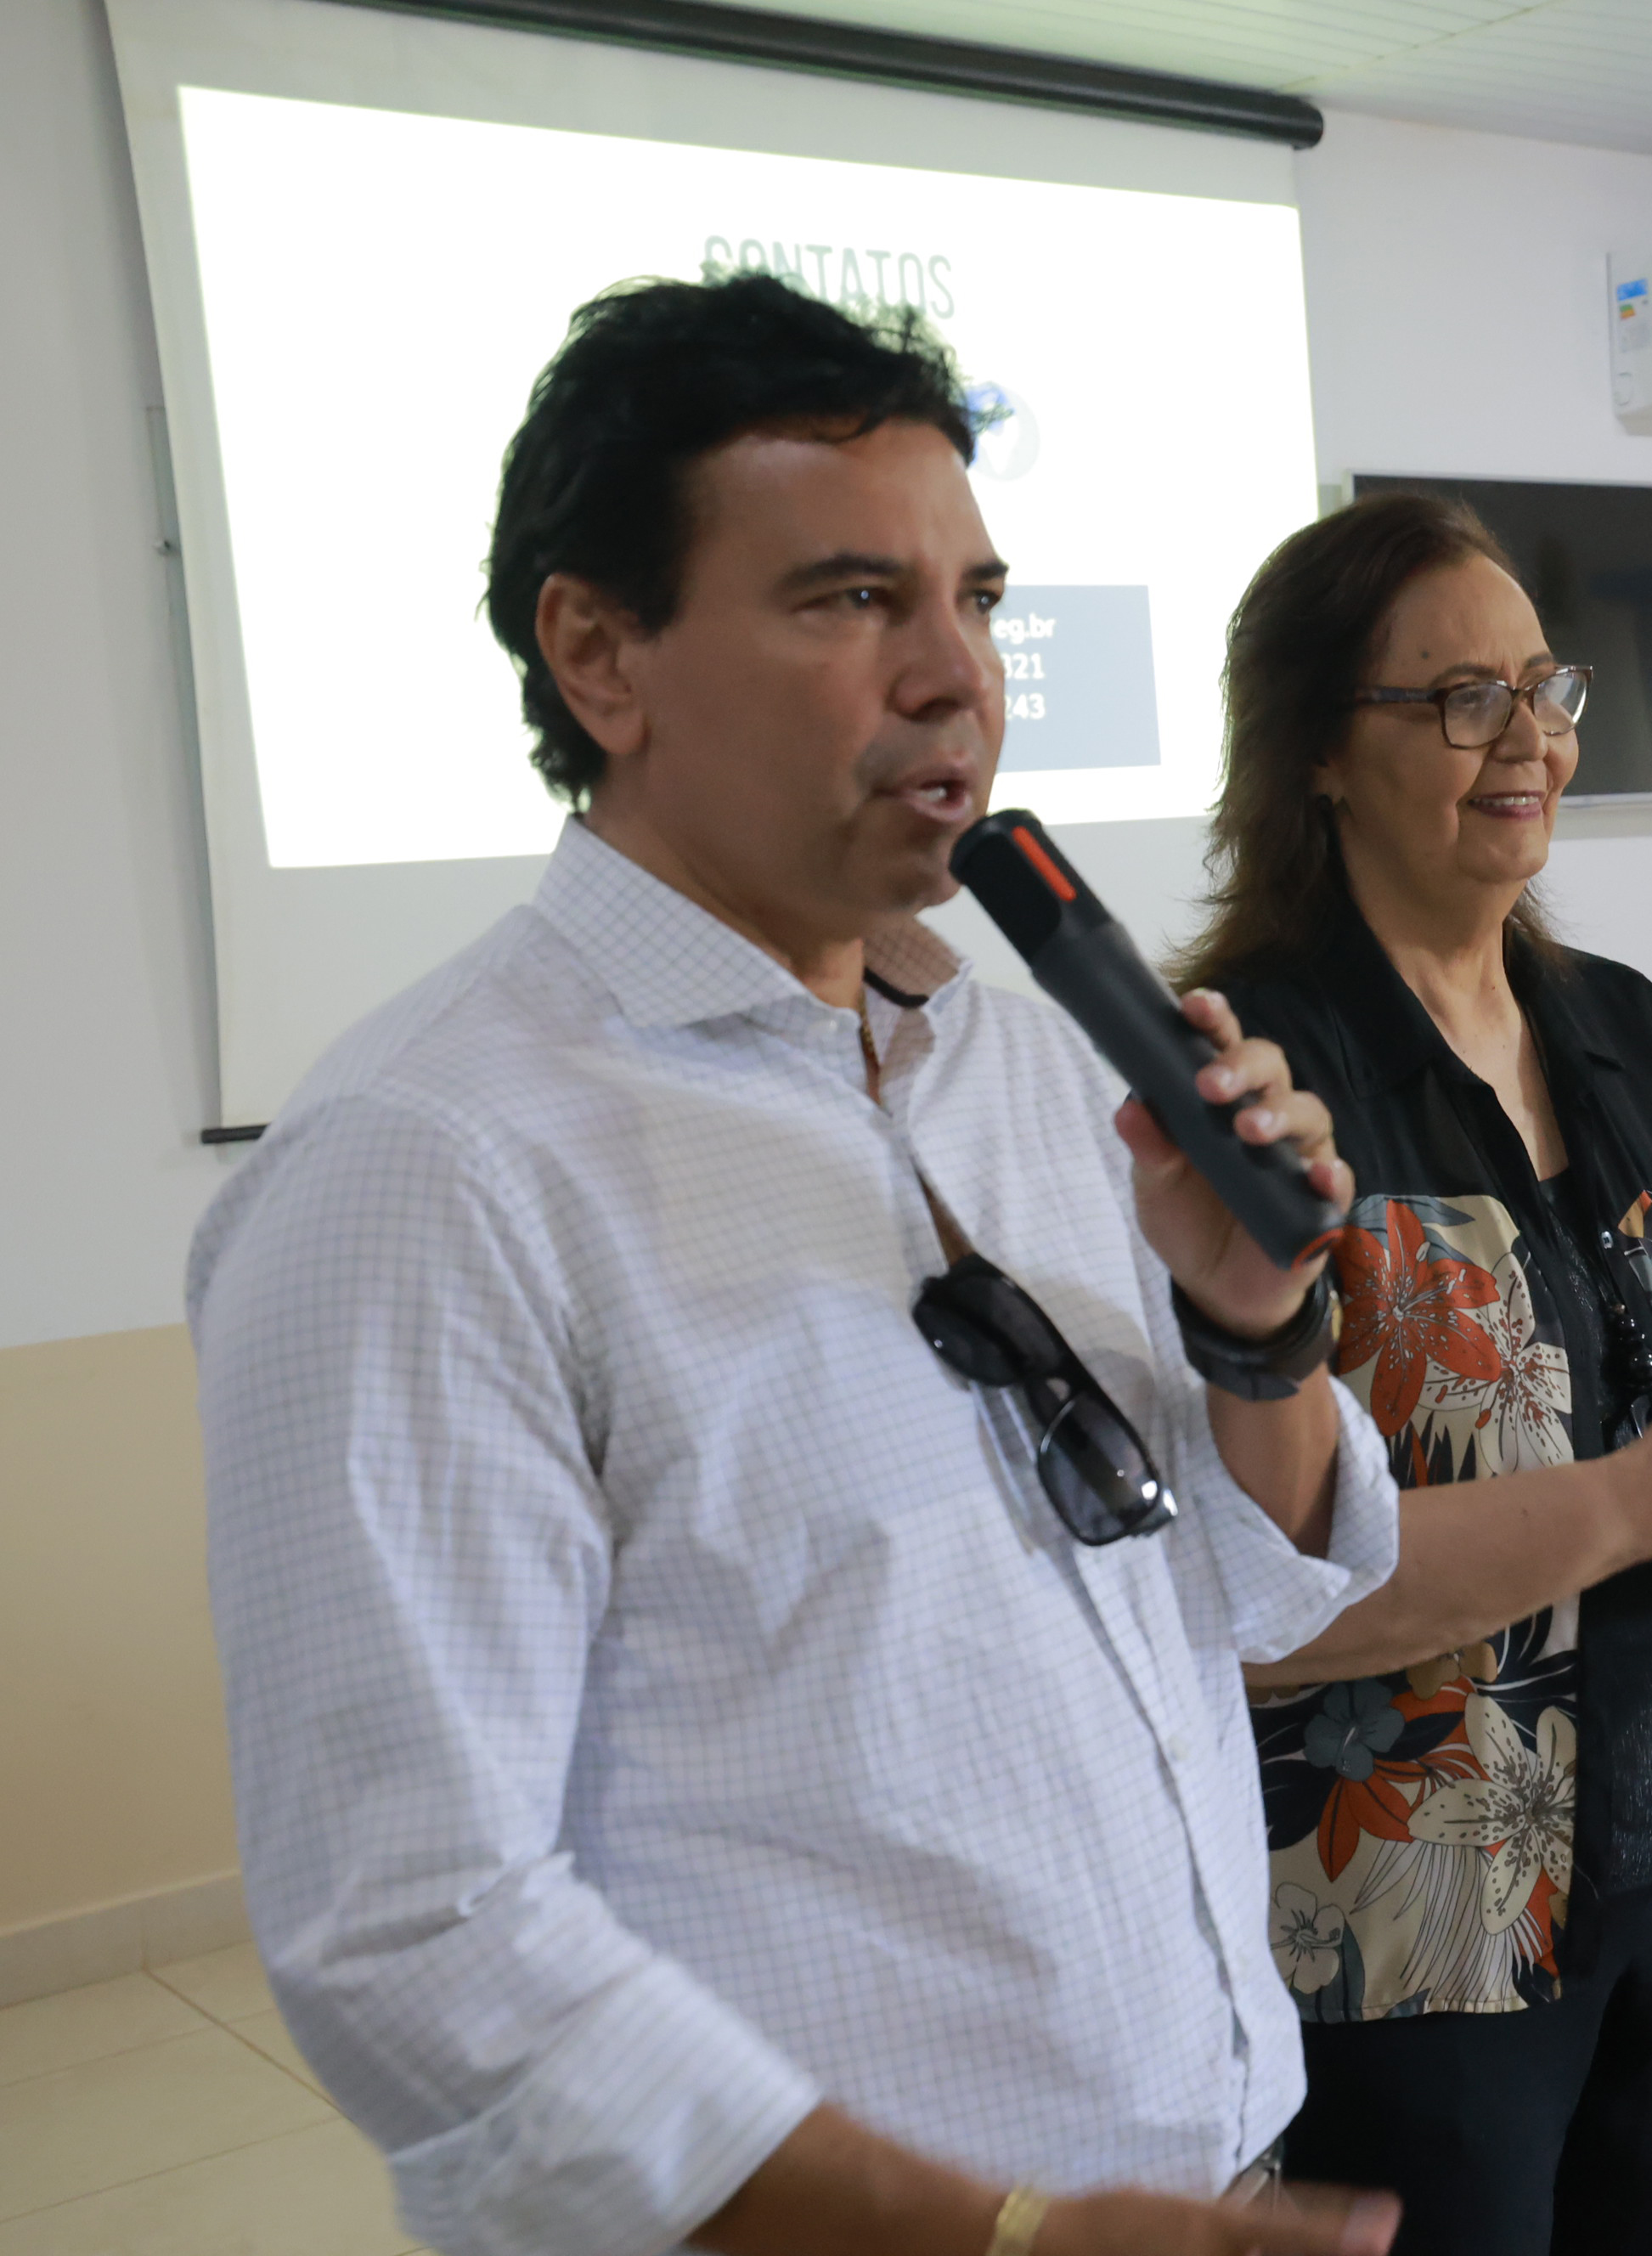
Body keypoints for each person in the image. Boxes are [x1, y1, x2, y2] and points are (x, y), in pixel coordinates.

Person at [191, 273, 1412, 2256]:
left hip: (1210, 2175)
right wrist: (998, 2235)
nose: (957, 677)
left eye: (979, 600)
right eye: (853, 599)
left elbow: (1255, 1596)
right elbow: (417, 1938)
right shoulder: (429, 1166)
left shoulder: (1037, 1066)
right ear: (600, 652)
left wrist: (1251, 1330)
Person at [1175, 491, 1652, 2256]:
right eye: (1462, 699)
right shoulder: (1252, 1087)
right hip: (1422, 1923)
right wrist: (1647, 1498)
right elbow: (1262, 1597)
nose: (1529, 738)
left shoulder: (1624, 1025)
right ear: (1321, 752)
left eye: (1546, 687)